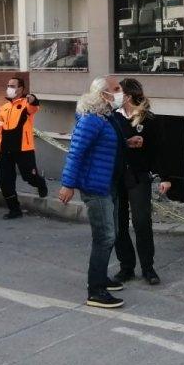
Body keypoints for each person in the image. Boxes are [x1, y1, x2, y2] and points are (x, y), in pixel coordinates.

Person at [57, 76, 126, 309]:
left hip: (108, 184)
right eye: (116, 89)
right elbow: (76, 152)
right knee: (105, 237)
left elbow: (105, 147)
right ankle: (96, 291)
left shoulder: (105, 118)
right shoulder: (91, 120)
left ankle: (101, 279)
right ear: (103, 94)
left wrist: (129, 142)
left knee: (110, 235)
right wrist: (67, 184)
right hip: (96, 187)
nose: (121, 92)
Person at [111, 78, 172, 286]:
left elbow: (161, 150)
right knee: (118, 224)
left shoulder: (149, 119)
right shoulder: (112, 118)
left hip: (138, 177)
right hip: (116, 177)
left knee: (141, 223)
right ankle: (126, 267)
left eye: (118, 90)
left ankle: (148, 268)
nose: (114, 94)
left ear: (127, 95)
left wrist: (165, 177)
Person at [0, 77, 48, 219]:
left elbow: (34, 106)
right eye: (8, 85)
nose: (9, 88)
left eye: (12, 85)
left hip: (24, 149)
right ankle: (14, 210)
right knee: (5, 181)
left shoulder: (26, 104)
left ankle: (40, 183)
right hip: (5, 150)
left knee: (29, 177)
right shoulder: (3, 108)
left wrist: (33, 98)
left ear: (21, 89)